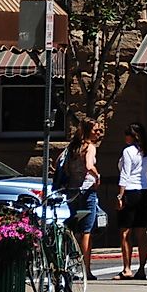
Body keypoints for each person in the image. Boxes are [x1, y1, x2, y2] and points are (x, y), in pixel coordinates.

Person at [116, 122, 147, 280]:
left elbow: (125, 173)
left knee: (125, 232)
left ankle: (127, 268)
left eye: (126, 133)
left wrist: (120, 195)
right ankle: (142, 268)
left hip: (129, 191)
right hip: (143, 192)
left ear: (132, 136)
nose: (125, 136)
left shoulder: (128, 151)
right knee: (141, 232)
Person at [62, 119, 103, 279]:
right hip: (86, 192)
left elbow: (63, 166)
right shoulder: (90, 147)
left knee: (74, 229)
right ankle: (85, 269)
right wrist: (97, 176)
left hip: (72, 191)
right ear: (88, 131)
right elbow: (88, 165)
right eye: (96, 130)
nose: (98, 133)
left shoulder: (72, 147)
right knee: (87, 230)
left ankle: (72, 265)